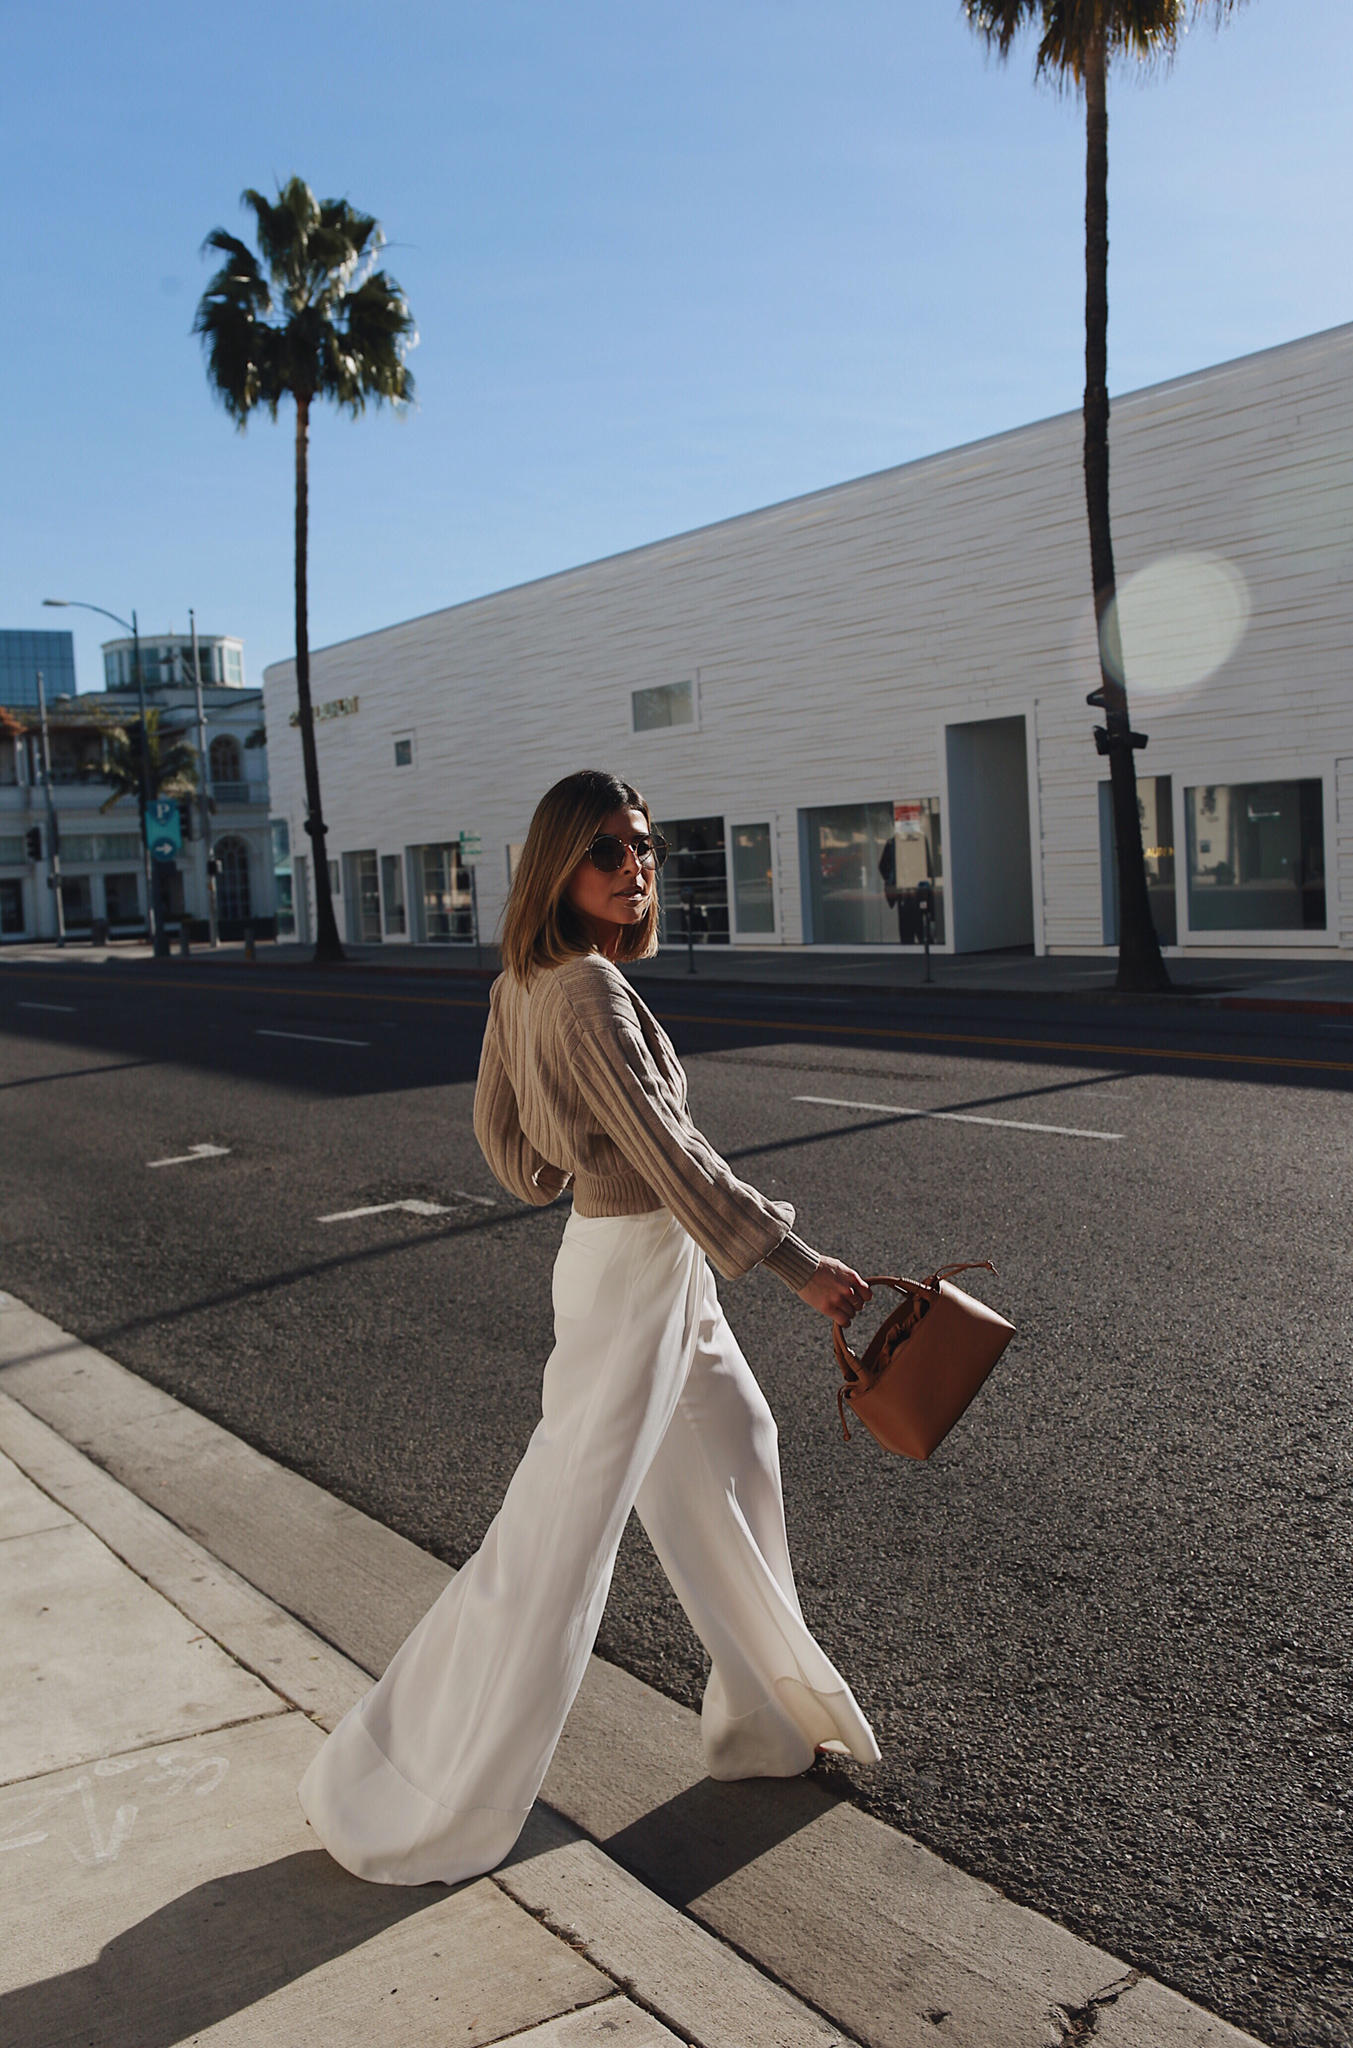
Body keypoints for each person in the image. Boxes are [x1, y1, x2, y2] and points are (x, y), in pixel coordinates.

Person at [298, 768, 881, 1886]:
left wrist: (549, 1169)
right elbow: (668, 1151)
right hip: (635, 1267)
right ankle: (410, 1776)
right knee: (556, 1542)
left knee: (742, 1444)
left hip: (635, 1263)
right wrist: (799, 1267)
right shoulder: (584, 991)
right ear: (556, 864)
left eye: (645, 846)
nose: (636, 866)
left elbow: (497, 1124)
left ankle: (763, 1713)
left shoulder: (532, 977)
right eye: (608, 849)